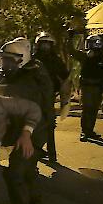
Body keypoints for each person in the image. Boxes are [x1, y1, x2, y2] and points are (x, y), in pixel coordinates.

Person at [0, 37, 54, 204]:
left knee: (14, 174)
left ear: (21, 60)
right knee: (28, 172)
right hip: (32, 132)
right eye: (3, 59)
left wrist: (25, 134)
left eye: (9, 60)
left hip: (31, 134)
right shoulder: (22, 75)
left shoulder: (28, 81)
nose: (5, 64)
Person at [67, 34, 103, 141]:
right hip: (87, 86)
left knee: (93, 110)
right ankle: (85, 131)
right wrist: (70, 37)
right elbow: (71, 51)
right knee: (87, 109)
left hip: (98, 87)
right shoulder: (85, 56)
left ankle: (89, 130)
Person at [33, 31, 70, 162]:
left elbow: (65, 75)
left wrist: (63, 92)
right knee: (34, 124)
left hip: (49, 97)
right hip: (34, 96)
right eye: (43, 44)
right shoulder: (32, 59)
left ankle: (52, 154)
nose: (45, 47)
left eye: (47, 45)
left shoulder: (55, 59)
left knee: (50, 124)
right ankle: (36, 150)